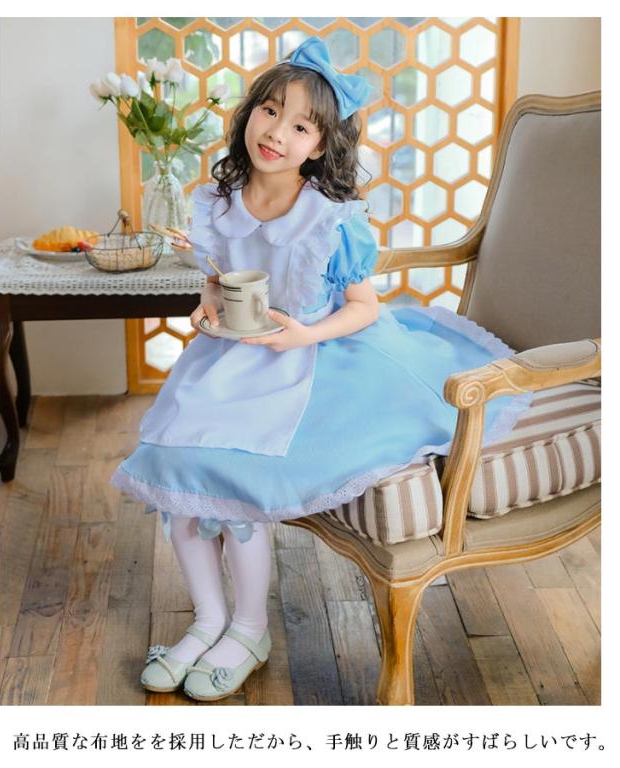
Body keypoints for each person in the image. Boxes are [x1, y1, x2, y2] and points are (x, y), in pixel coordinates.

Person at [110, 36, 533, 702]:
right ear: (249, 113)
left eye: (301, 126)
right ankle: (208, 619)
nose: (277, 133)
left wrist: (304, 332)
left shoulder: (330, 220)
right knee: (175, 477)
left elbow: (364, 307)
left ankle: (249, 629)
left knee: (235, 479)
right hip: (230, 357)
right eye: (269, 111)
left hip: (311, 356)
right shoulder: (219, 200)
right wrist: (208, 303)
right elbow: (218, 276)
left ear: (319, 146)